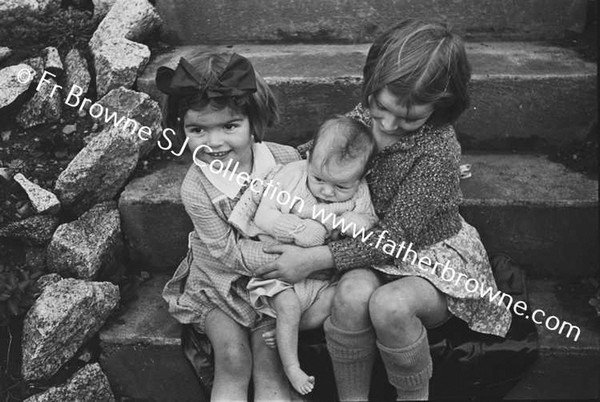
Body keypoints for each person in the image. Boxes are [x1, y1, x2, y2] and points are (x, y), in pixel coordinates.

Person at [254, 19, 513, 401]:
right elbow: (316, 154)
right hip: (366, 251)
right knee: (352, 293)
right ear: (372, 86)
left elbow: (394, 241)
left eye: (410, 118)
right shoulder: (363, 116)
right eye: (382, 108)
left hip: (423, 256)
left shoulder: (437, 153)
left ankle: (413, 397)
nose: (389, 124)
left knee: (390, 306)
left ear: (443, 106)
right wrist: (253, 163)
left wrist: (312, 259)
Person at [158, 52, 307, 401]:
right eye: (197, 130)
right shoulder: (195, 188)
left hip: (271, 283)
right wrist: (290, 258)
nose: (214, 143)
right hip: (218, 283)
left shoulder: (284, 160)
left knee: (271, 362)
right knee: (233, 359)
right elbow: (227, 251)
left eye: (229, 126)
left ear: (253, 122)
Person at [228, 116, 378, 395]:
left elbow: (368, 219)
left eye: (341, 186)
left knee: (336, 300)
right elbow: (265, 215)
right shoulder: (290, 177)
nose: (326, 191)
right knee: (289, 307)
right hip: (281, 271)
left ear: (362, 177)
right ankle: (292, 366)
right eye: (318, 179)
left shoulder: (360, 192)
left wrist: (354, 222)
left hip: (321, 276)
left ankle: (289, 330)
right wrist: (298, 228)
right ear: (308, 159)